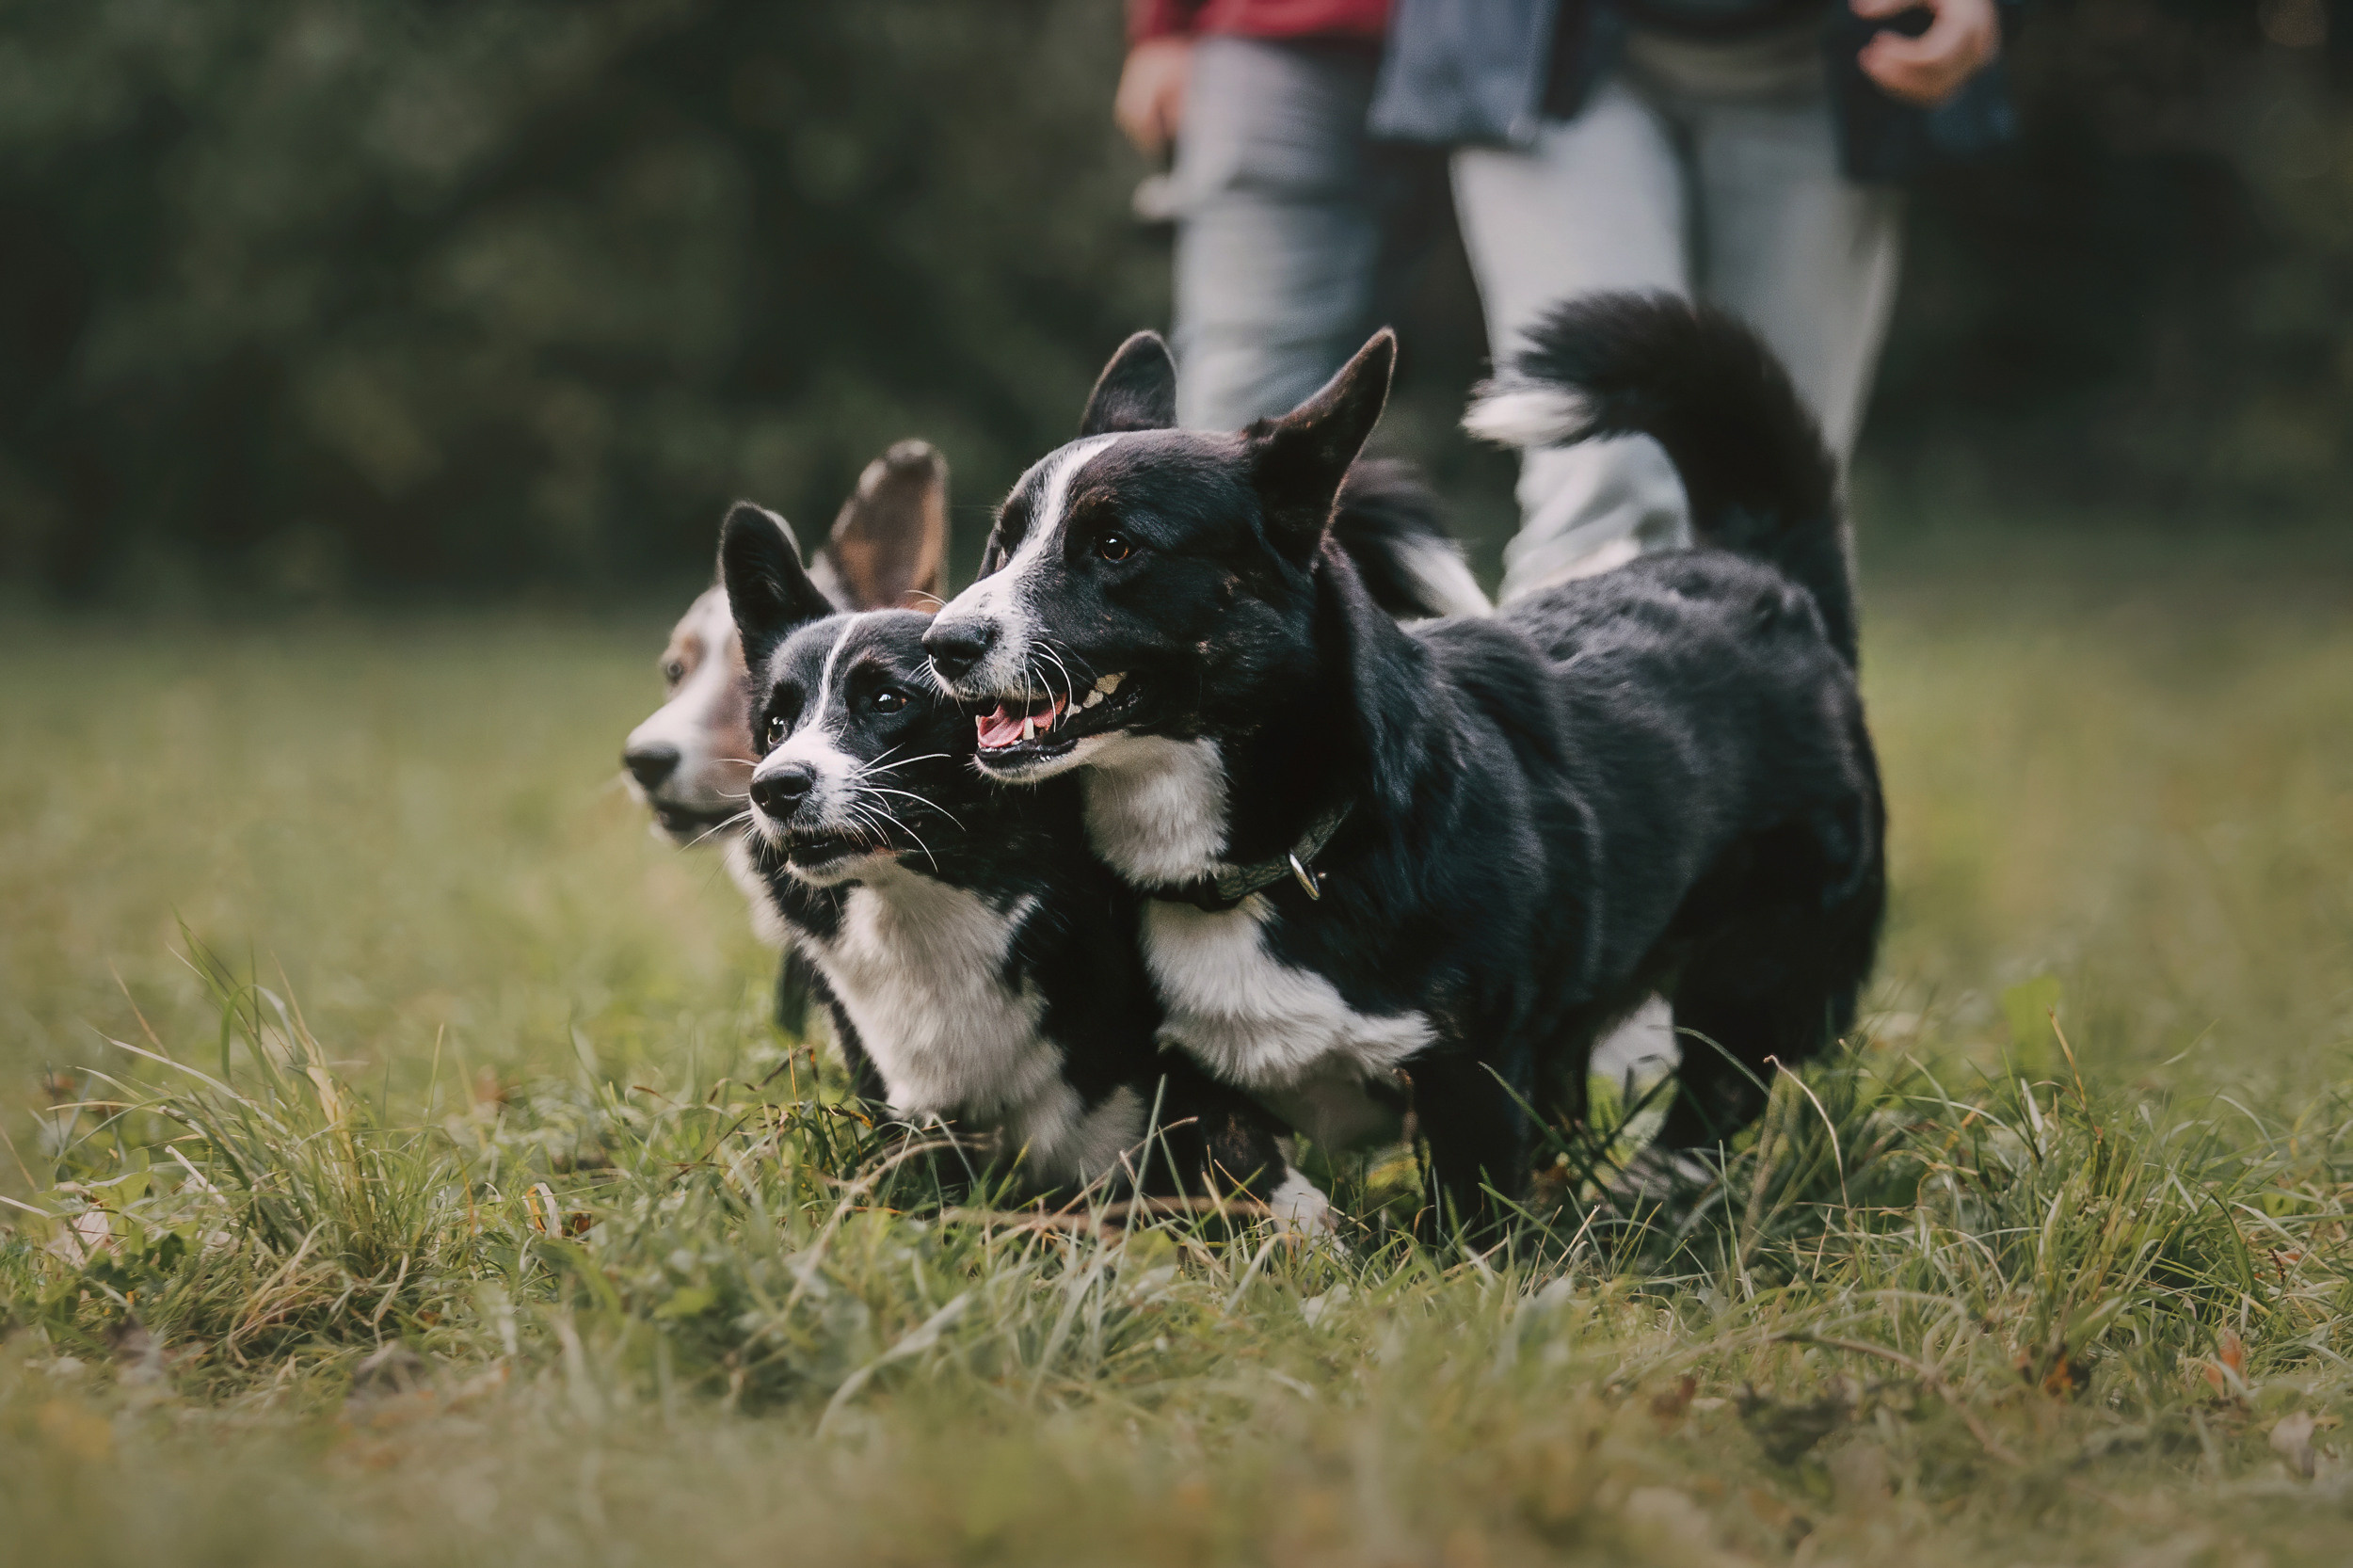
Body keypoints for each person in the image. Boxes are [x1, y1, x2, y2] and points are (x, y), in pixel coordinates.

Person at [1117, 0, 2015, 590]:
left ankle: (1776, 855)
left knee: (1780, 514)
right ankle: (1578, 854)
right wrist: (1169, 23)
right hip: (1550, 49)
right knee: (1605, 476)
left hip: (1815, 64)